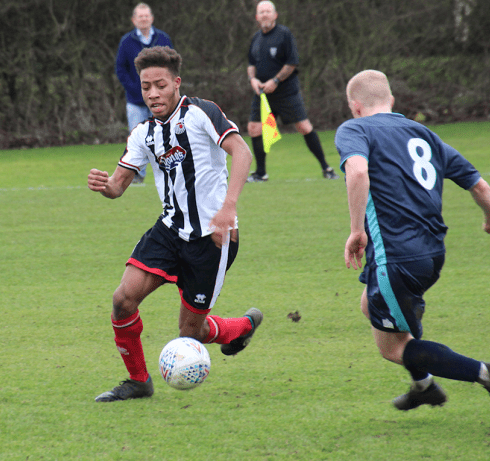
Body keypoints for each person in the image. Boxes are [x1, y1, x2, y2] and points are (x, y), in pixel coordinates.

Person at [336, 69, 490, 428]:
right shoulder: (425, 134)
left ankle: (487, 374)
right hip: (431, 253)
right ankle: (423, 385)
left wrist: (356, 230)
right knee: (368, 304)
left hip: (396, 256)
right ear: (391, 100)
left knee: (392, 347)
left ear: (354, 106)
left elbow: (357, 173)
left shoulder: (354, 128)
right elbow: (479, 185)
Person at [88, 46, 263, 402]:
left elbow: (242, 152)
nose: (153, 93)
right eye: (146, 86)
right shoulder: (142, 133)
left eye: (161, 85)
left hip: (212, 238)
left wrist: (229, 207)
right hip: (169, 231)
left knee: (190, 333)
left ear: (176, 83)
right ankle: (138, 381)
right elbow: (119, 186)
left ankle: (241, 327)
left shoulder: (201, 112)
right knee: (122, 301)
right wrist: (104, 185)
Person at [245, 0, 338, 182]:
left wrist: (276, 80)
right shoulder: (255, 39)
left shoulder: (284, 34)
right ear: (257, 17)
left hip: (286, 92)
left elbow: (292, 62)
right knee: (254, 129)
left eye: (268, 11)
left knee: (303, 127)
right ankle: (261, 173)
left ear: (275, 15)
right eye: (261, 12)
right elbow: (251, 64)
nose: (265, 15)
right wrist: (253, 80)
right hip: (263, 94)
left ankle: (326, 168)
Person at [115, 2, 173, 184]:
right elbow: (120, 69)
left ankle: (169, 170)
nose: (144, 19)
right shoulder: (127, 41)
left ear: (152, 18)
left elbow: (172, 66)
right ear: (134, 20)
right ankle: (136, 175)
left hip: (161, 100)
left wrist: (164, 89)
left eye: (146, 16)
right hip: (136, 101)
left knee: (165, 134)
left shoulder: (163, 38)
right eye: (140, 16)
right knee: (137, 138)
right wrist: (136, 89)